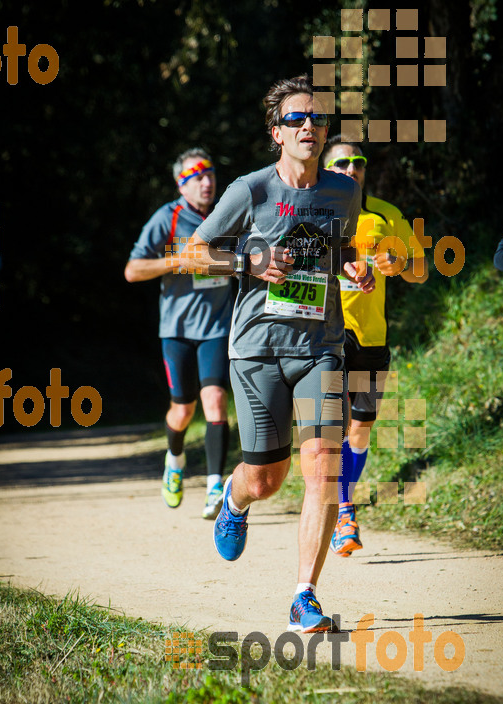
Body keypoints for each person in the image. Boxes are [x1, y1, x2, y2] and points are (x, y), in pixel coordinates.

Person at [176, 74, 397, 634]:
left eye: (318, 119)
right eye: (297, 119)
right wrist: (245, 263)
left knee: (321, 466)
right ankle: (235, 496)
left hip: (320, 347)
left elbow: (338, 245)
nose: (310, 127)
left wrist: (349, 264)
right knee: (267, 477)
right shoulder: (250, 191)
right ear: (276, 132)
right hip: (256, 351)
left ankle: (305, 595)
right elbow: (195, 252)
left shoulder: (342, 192)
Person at [323, 136, 428, 556]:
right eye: (342, 162)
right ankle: (343, 511)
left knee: (361, 431)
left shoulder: (385, 215)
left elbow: (420, 269)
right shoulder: (312, 213)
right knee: (336, 426)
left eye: (358, 162)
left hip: (371, 337)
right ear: (326, 168)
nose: (351, 168)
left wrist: (399, 264)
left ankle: (342, 499)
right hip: (326, 336)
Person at [125, 149, 233, 520]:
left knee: (216, 400)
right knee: (182, 410)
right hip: (177, 331)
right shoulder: (166, 219)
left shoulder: (227, 213)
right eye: (196, 175)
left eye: (210, 173)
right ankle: (175, 458)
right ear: (180, 183)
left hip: (218, 327)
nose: (206, 181)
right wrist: (177, 260)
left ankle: (216, 486)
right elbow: (132, 270)